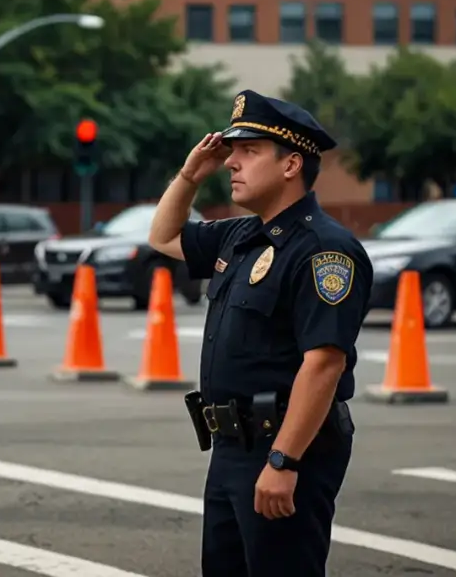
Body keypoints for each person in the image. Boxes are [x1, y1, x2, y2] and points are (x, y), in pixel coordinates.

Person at [148, 89, 373, 577]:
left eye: (248, 151)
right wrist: (190, 175)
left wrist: (284, 461)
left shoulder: (323, 250)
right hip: (230, 445)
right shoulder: (242, 235)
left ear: (291, 165)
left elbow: (325, 363)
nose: (232, 162)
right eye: (232, 150)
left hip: (286, 448)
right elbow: (163, 237)